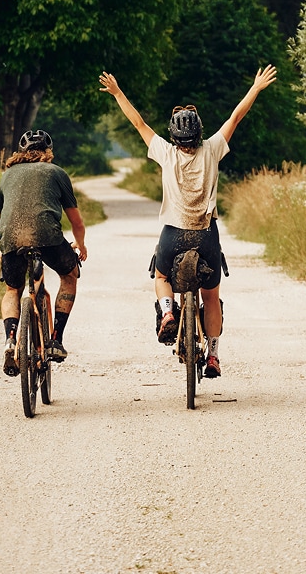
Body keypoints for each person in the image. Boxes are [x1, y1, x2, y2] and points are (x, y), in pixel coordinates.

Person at [99, 65, 277, 378]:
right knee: (211, 298)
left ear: (173, 134)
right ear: (199, 132)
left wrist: (117, 92)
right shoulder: (212, 150)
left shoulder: (165, 153)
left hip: (173, 234)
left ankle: (168, 311)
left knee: (161, 275)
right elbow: (235, 117)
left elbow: (138, 122)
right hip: (205, 235)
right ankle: (213, 356)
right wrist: (256, 88)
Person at [0, 129, 87, 376]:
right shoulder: (56, 172)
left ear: (21, 152)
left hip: (11, 238)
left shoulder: (7, 175)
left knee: (12, 289)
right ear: (48, 152)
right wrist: (80, 244)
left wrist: (2, 248)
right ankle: (56, 338)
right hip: (47, 237)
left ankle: (11, 339)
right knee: (69, 275)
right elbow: (76, 221)